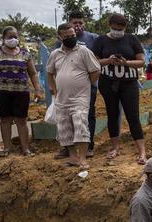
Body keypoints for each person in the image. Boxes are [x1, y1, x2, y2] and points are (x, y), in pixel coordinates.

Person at [0, 26, 44, 157]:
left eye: (15, 36)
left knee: (21, 120)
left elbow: (32, 73)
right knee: (5, 120)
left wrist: (38, 89)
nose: (13, 39)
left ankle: (25, 149)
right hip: (1, 92)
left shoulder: (25, 54)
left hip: (21, 92)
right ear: (3, 38)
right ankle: (7, 148)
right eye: (10, 37)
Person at [92, 13, 147, 164]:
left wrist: (126, 63)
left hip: (129, 83)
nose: (117, 31)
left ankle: (142, 152)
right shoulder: (100, 41)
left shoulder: (132, 39)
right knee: (112, 114)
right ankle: (115, 147)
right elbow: (94, 62)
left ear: (125, 28)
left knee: (133, 116)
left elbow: (141, 62)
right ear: (109, 25)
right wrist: (108, 60)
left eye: (121, 29)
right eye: (115, 28)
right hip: (108, 83)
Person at [47, 23, 100, 170]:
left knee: (81, 125)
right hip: (62, 98)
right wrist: (54, 90)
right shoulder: (55, 54)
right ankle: (73, 157)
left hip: (80, 97)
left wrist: (86, 84)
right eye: (67, 36)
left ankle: (82, 159)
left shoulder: (84, 51)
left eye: (72, 35)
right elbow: (49, 73)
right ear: (60, 37)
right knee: (65, 128)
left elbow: (96, 71)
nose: (71, 38)